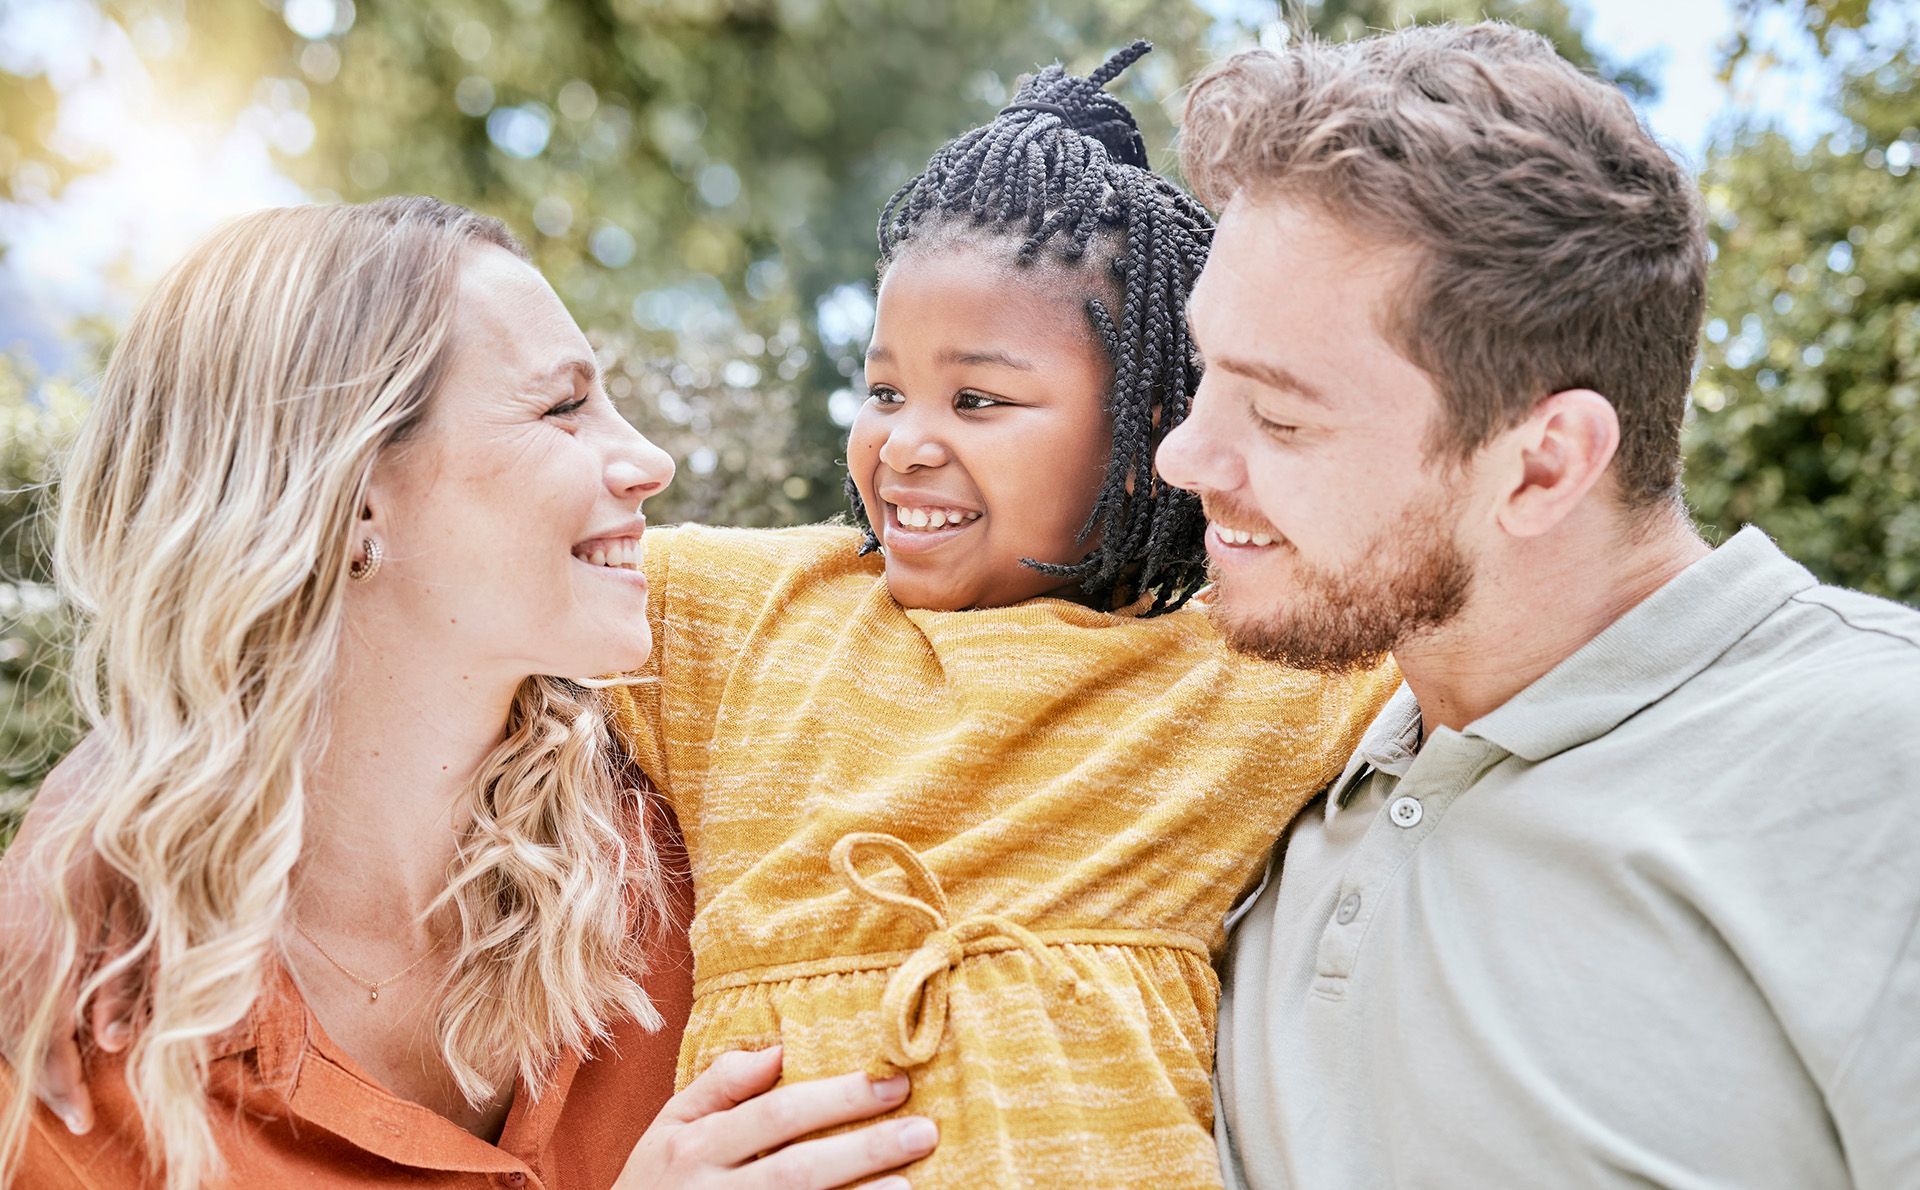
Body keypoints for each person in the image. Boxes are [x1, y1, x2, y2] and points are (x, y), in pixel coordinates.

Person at [0, 197, 935, 1189]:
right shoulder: (76, 1055)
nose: (649, 459)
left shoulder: (696, 806)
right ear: (357, 491)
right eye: (561, 407)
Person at [610, 43, 1396, 1187]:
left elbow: (1483, 609)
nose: (906, 438)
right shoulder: (751, 616)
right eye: (884, 390)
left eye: (978, 398)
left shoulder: (1242, 664)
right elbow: (473, 569)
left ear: (1144, 441)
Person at [1157, 22, 1920, 1189]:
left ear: (1546, 463)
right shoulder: (1237, 770)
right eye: (1206, 373)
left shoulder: (1881, 764)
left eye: (1282, 417)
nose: (1181, 455)